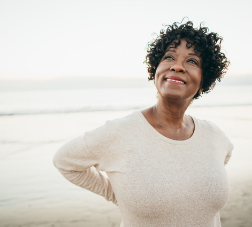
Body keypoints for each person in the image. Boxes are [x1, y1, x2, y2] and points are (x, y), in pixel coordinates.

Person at [53, 21, 233, 227]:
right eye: (169, 57)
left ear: (204, 81)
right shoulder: (120, 132)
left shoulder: (215, 135)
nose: (177, 66)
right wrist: (116, 194)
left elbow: (224, 155)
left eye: (192, 61)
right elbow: (64, 161)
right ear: (155, 69)